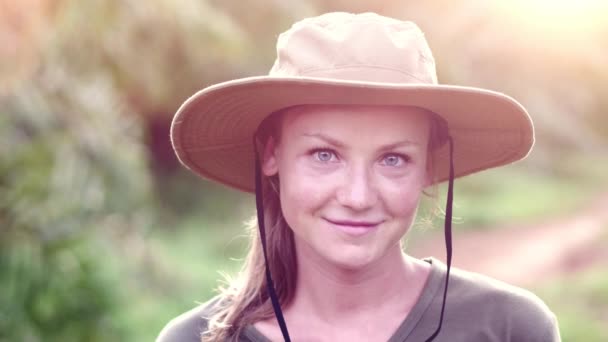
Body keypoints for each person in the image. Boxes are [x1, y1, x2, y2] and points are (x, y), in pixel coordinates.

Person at [157, 12, 560, 342]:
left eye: (393, 159)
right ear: (271, 154)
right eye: (324, 155)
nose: (357, 196)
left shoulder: (511, 328)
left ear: (429, 168)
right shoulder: (198, 338)